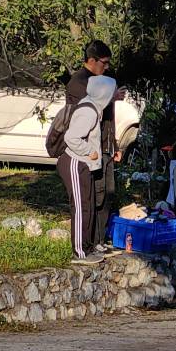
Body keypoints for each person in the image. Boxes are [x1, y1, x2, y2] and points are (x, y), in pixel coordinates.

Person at [66, 41, 124, 254]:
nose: (107, 67)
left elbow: (107, 117)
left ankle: (99, 239)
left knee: (107, 193)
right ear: (92, 61)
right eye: (104, 63)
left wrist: (115, 143)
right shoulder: (79, 82)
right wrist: (112, 99)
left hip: (105, 145)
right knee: (93, 196)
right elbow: (88, 110)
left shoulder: (101, 82)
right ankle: (88, 243)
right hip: (89, 150)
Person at [59, 75, 120, 265]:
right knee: (81, 207)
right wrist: (90, 152)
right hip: (76, 162)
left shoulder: (94, 108)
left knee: (89, 205)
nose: (113, 97)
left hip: (83, 164)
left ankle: (87, 247)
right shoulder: (89, 111)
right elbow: (71, 138)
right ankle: (79, 253)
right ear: (104, 93)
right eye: (111, 93)